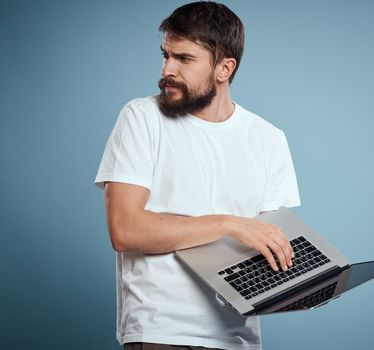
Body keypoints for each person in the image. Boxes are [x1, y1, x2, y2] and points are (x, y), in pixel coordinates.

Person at [94, 2, 300, 349]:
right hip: (162, 333)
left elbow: (266, 241)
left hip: (238, 338)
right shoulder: (141, 118)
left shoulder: (269, 138)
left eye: (184, 59)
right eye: (166, 55)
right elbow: (125, 230)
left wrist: (301, 284)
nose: (167, 70)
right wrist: (229, 224)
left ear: (224, 68)